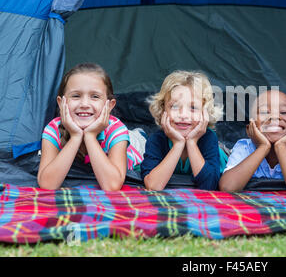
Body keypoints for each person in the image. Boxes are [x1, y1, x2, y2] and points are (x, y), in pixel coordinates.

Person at [38, 63, 143, 191]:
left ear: (110, 105)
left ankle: (139, 134)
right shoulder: (53, 129)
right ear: (61, 103)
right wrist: (76, 136)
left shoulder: (117, 130)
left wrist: (90, 136)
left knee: (138, 138)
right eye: (76, 96)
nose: (84, 104)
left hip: (134, 147)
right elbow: (47, 184)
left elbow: (112, 186)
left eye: (95, 96)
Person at [219, 90, 286, 198]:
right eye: (264, 112)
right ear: (249, 130)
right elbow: (227, 187)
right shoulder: (244, 147)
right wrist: (263, 147)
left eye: (284, 112)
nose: (274, 117)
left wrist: (281, 147)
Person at [141, 70, 223, 191]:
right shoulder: (157, 140)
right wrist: (178, 144)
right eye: (174, 106)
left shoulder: (208, 138)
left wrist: (192, 142)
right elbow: (153, 185)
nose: (183, 115)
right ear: (163, 110)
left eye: (193, 108)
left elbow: (209, 185)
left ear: (204, 113)